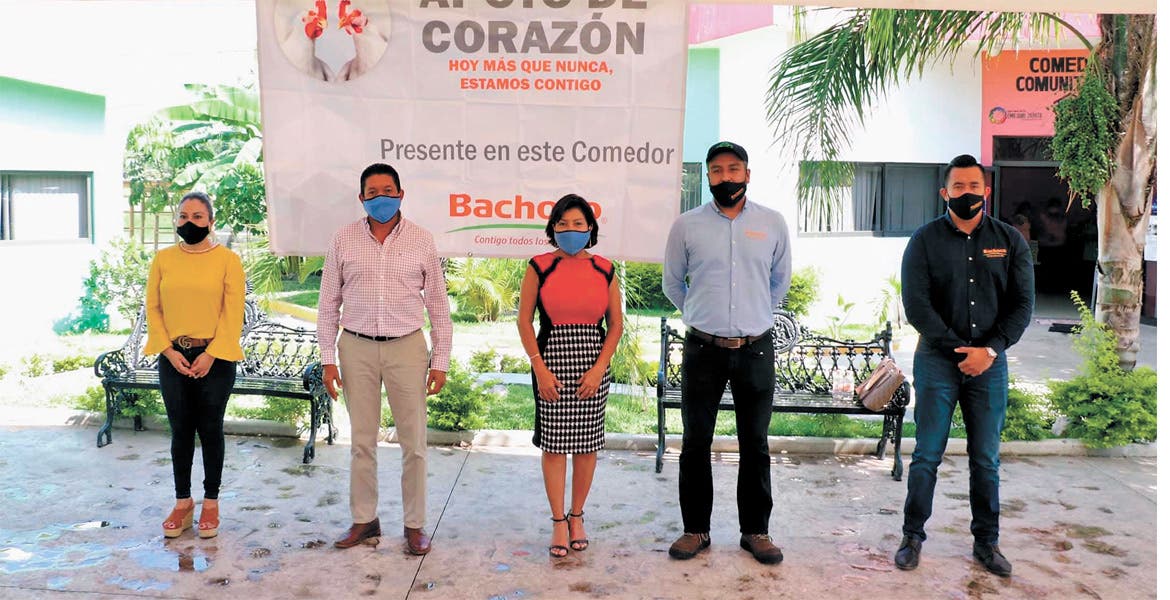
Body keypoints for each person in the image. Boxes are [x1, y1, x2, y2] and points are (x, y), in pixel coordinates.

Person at [894, 154, 1034, 577]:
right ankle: (912, 537)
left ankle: (986, 543)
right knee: (926, 455)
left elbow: (1021, 305)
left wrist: (988, 351)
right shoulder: (924, 241)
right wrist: (961, 350)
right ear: (945, 192)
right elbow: (916, 305)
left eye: (974, 186)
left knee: (986, 459)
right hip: (937, 361)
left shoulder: (1010, 241)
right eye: (958, 187)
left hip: (989, 364)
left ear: (985, 191)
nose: (966, 193)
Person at [661, 141, 792, 565]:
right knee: (695, 441)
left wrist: (754, 315)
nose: (726, 177)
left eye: (733, 169)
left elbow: (779, 281)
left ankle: (756, 531)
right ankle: (695, 530)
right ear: (708, 177)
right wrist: (700, 314)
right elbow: (672, 282)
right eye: (716, 171)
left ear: (747, 174)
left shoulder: (772, 223)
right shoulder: (686, 225)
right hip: (703, 348)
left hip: (756, 349)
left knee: (755, 442)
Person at [317, 162, 452, 555]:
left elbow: (438, 305)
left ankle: (415, 525)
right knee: (361, 441)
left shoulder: (422, 240)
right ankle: (364, 520)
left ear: (401, 194)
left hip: (407, 347)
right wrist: (328, 358)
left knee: (414, 443)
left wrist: (440, 360)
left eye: (388, 191)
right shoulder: (342, 239)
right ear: (361, 198)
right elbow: (327, 304)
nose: (381, 198)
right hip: (355, 347)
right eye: (372, 193)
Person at [516, 194, 624, 558]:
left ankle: (577, 516)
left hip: (593, 367)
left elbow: (615, 325)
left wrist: (599, 368)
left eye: (578, 224)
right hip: (551, 365)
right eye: (562, 224)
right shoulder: (539, 266)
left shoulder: (605, 269)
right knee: (554, 446)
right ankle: (558, 522)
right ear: (552, 228)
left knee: (587, 445)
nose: (570, 230)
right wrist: (540, 369)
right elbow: (524, 321)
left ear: (590, 228)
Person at [145, 191, 246, 540]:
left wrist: (211, 353)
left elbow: (233, 312)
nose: (190, 223)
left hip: (215, 358)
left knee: (210, 428)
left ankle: (211, 503)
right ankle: (183, 502)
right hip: (172, 357)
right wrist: (168, 351)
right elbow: (153, 308)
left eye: (198, 217)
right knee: (181, 430)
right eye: (184, 216)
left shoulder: (228, 260)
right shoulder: (163, 259)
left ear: (211, 222)